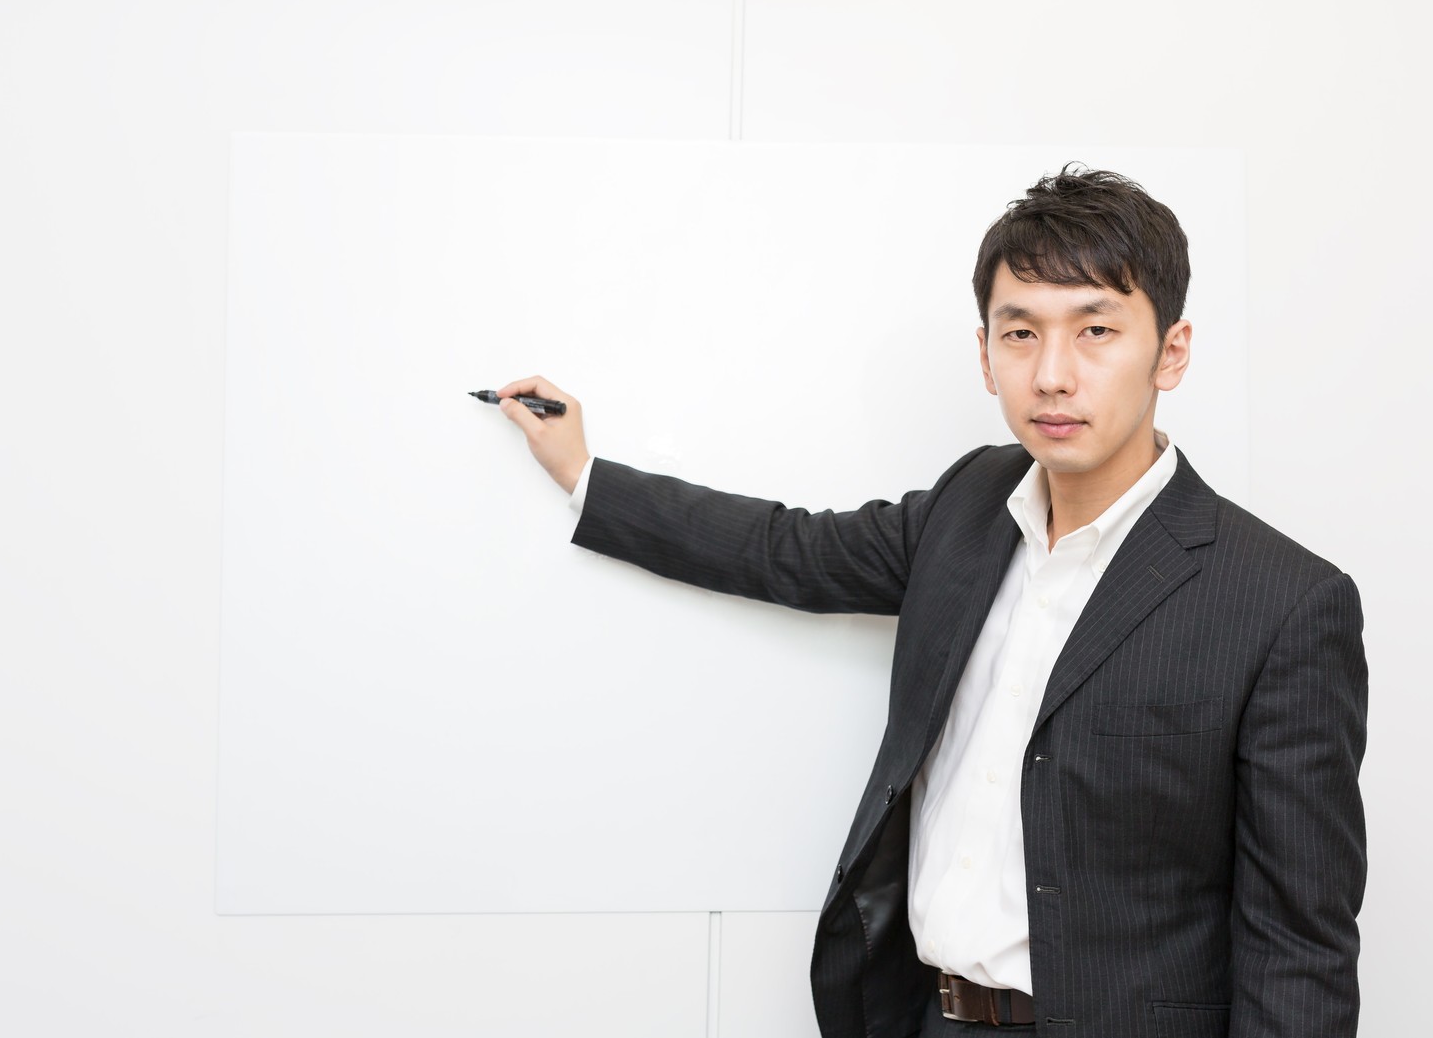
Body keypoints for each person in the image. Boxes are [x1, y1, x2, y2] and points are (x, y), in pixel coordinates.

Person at [495, 166, 1367, 1038]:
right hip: (925, 1016)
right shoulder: (970, 505)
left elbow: (1299, 947)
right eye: (1020, 333)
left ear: (1171, 351)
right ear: (986, 355)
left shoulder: (1283, 603)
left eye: (1096, 330)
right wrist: (584, 474)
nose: (1052, 374)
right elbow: (786, 549)